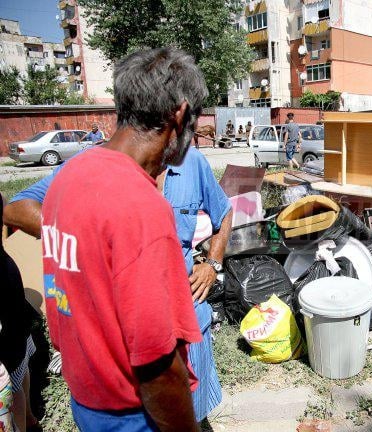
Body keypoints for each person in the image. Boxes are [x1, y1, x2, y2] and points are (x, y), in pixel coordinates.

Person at [5, 102, 232, 431]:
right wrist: (79, 231)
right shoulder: (84, 168)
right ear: (176, 121)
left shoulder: (193, 163)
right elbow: (15, 207)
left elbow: (223, 212)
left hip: (187, 315)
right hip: (121, 358)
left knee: (192, 409)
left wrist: (212, 263)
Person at [39, 47, 210, 431]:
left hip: (86, 402)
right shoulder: (141, 207)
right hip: (134, 415)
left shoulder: (67, 178)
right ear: (179, 116)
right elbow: (158, 366)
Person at [0, 194, 34, 432]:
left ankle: (24, 423)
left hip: (7, 342)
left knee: (13, 385)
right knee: (21, 370)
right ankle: (31, 418)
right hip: (17, 327)